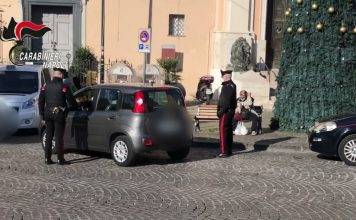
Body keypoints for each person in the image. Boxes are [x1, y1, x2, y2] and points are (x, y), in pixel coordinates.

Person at [39, 68, 77, 165]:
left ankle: (47, 158)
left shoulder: (46, 86)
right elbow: (72, 102)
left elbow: (41, 101)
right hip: (59, 113)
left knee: (49, 136)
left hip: (48, 113)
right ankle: (60, 159)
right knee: (59, 137)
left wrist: (42, 114)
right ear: (61, 75)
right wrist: (68, 110)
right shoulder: (64, 86)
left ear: (53, 75)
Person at [217, 69, 237, 157]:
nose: (222, 78)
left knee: (223, 131)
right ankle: (228, 150)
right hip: (228, 111)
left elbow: (227, 101)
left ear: (227, 77)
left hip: (226, 112)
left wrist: (221, 111)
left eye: (223, 77)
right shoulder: (231, 85)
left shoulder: (228, 86)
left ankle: (224, 151)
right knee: (228, 131)